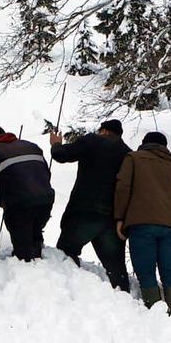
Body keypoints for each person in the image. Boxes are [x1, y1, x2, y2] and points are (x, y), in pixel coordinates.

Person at [50, 119, 131, 291]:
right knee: (116, 268)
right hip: (112, 217)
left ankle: (66, 295)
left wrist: (56, 145)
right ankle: (126, 301)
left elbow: (62, 155)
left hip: (85, 210)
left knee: (65, 253)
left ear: (103, 131)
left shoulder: (92, 141)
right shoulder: (127, 154)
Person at [114, 131, 171, 311]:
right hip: (169, 226)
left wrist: (120, 217)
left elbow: (123, 187)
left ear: (145, 143)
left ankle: (154, 309)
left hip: (142, 222)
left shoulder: (133, 159)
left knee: (146, 271)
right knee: (169, 271)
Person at [0, 124, 54, 261]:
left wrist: (0, 200)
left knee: (23, 249)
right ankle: (38, 256)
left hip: (18, 203)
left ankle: (26, 270)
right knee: (35, 232)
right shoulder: (31, 145)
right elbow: (46, 172)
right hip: (45, 199)